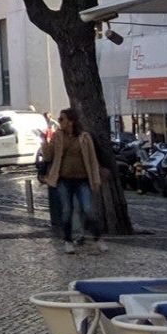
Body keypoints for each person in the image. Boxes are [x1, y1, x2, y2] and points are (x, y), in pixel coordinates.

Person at [43, 107, 109, 256]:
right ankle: (68, 240)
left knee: (88, 209)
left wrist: (95, 178)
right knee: (67, 210)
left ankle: (98, 238)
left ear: (71, 121)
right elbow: (48, 156)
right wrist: (44, 141)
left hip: (82, 180)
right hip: (63, 180)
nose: (59, 122)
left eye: (62, 119)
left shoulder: (84, 137)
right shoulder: (57, 136)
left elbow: (92, 159)